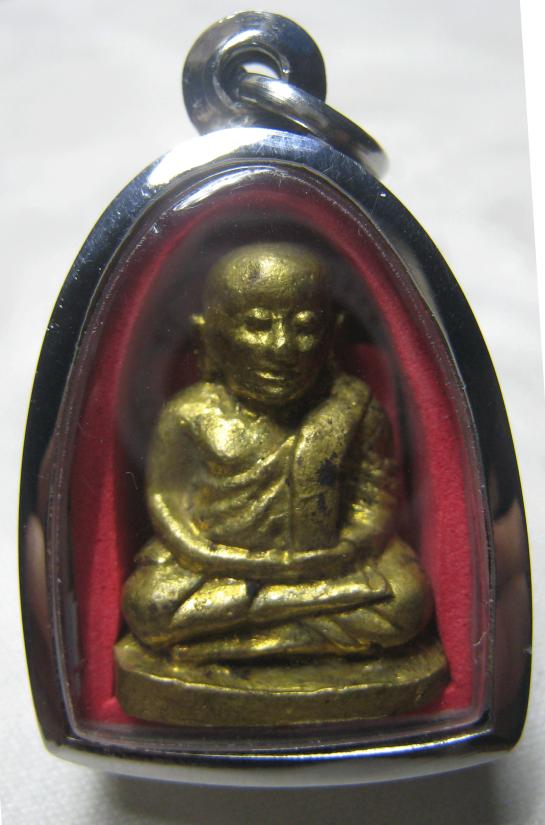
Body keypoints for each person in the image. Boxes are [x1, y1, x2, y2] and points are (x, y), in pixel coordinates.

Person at [121, 242, 434, 663]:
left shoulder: (353, 410)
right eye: (258, 324)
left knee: (407, 598)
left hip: (325, 567)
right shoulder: (189, 414)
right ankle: (301, 630)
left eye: (305, 327)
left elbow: (376, 500)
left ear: (332, 333)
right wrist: (212, 557)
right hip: (221, 569)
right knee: (150, 603)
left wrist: (346, 549)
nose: (282, 347)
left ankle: (230, 641)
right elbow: (166, 501)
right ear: (210, 332)